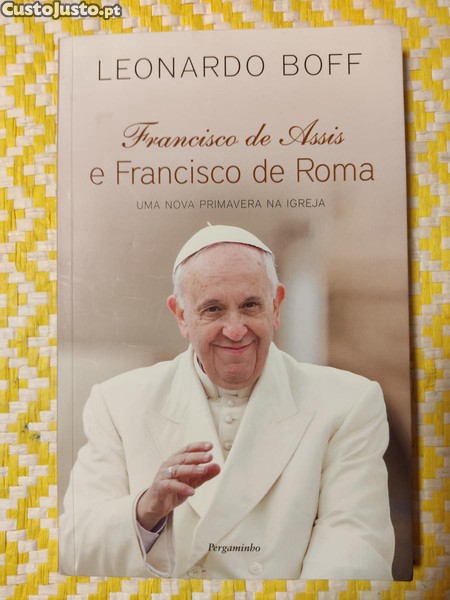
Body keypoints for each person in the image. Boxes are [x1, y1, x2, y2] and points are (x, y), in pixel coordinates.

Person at [59, 224, 395, 580]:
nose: (235, 330)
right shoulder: (118, 403)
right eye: (214, 309)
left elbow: (353, 552)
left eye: (250, 306)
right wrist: (146, 510)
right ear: (181, 316)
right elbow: (73, 551)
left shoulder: (348, 404)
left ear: (276, 306)